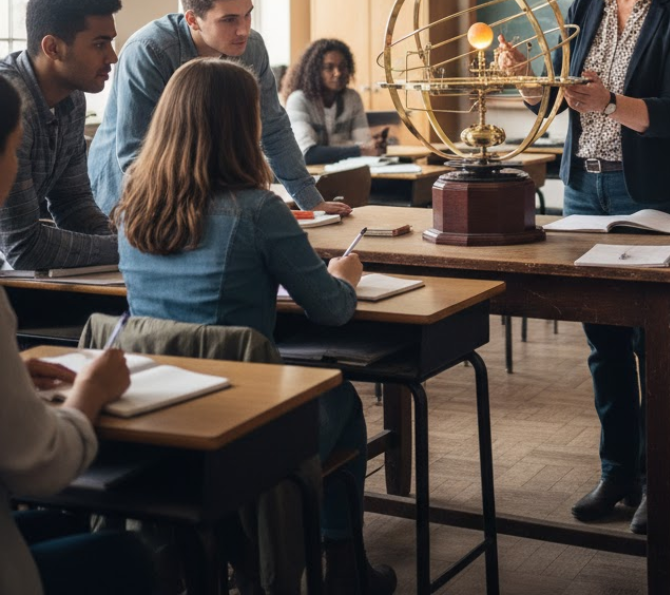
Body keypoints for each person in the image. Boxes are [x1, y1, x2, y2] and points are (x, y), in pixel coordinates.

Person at [116, 58, 395, 595]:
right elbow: (332, 310)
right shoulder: (256, 209)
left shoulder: (133, 203)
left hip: (155, 417)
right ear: (239, 128)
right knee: (344, 402)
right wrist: (344, 275)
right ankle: (343, 566)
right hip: (241, 422)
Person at [496, 0, 670, 534]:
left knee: (657, 342)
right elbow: (557, 101)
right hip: (585, 188)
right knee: (604, 342)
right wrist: (527, 75)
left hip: (651, 192)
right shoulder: (584, 6)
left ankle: (662, 484)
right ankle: (618, 471)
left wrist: (610, 101)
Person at [0, 75, 155, 595]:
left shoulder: (68, 106)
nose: (19, 165)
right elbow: (42, 469)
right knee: (126, 557)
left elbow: (72, 201)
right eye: (16, 151)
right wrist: (91, 392)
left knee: (69, 524)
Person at [88, 0, 349, 220]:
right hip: (128, 193)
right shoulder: (149, 51)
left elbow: (273, 128)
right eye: (229, 20)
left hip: (200, 191)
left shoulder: (252, 49)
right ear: (192, 19)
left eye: (248, 15)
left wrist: (310, 201)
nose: (243, 30)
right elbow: (136, 156)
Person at [0, 0, 122, 269]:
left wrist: (134, 242)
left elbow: (73, 204)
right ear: (53, 47)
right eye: (99, 44)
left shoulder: (72, 98)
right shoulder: (12, 104)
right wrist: (130, 252)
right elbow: (23, 247)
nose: (113, 57)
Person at [281, 38, 388, 164]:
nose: (338, 73)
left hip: (345, 173)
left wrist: (372, 147)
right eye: (329, 67)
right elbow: (307, 154)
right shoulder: (298, 100)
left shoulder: (352, 98)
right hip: (312, 178)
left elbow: (364, 144)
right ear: (315, 71)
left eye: (342, 67)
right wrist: (360, 150)